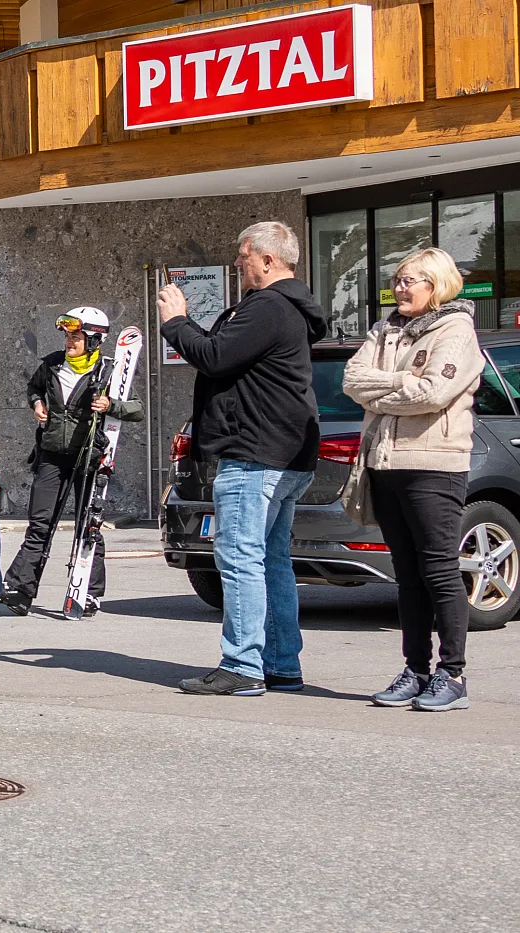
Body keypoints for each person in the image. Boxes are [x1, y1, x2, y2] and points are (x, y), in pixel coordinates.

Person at [161, 221, 327, 697]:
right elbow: (227, 357)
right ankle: (280, 664)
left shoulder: (270, 307)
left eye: (244, 255)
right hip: (284, 453)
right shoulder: (286, 308)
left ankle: (243, 665)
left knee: (239, 558)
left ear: (268, 260)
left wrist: (175, 321)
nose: (238, 262)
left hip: (255, 454)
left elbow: (214, 356)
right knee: (270, 559)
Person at [344, 246, 482, 712]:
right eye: (397, 280)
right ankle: (416, 669)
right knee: (406, 575)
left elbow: (434, 392)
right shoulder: (385, 328)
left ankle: (453, 674)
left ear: (436, 285)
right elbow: (351, 379)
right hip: (384, 462)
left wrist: (381, 391)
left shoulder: (456, 328)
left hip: (433, 464)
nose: (399, 289)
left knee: (439, 570)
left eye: (409, 281)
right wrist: (402, 383)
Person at [0, 308, 144, 616]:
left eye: (76, 337)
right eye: (67, 336)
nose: (69, 342)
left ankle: (88, 593)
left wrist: (110, 405)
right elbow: (33, 388)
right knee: (39, 524)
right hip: (51, 454)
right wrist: (37, 403)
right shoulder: (52, 364)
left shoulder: (108, 371)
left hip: (89, 457)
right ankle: (19, 589)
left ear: (93, 340)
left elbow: (137, 409)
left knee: (88, 526)